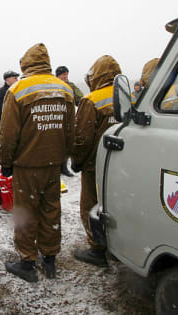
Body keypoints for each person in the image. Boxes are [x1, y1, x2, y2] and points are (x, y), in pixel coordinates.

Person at [0, 43, 75, 282]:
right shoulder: (65, 89)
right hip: (53, 162)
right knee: (51, 208)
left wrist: (6, 161)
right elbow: (70, 129)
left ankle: (27, 261)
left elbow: (8, 133)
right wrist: (65, 156)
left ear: (26, 64)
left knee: (26, 212)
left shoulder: (19, 90)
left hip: (27, 164)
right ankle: (50, 257)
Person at [71, 55, 122, 267]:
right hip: (123, 165)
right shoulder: (131, 97)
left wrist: (77, 161)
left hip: (96, 164)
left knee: (91, 205)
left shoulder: (92, 100)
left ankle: (97, 248)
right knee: (118, 205)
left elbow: (82, 137)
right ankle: (119, 246)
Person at [55, 65, 83, 177]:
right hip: (55, 117)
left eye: (67, 74)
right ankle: (54, 166)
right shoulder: (52, 85)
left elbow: (80, 99)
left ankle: (63, 166)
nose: (66, 76)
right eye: (63, 74)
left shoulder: (71, 86)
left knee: (67, 142)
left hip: (67, 117)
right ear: (58, 75)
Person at [0, 70, 19, 164]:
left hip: (14, 129)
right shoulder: (0, 93)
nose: (17, 80)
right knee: (0, 155)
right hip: (2, 129)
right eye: (15, 78)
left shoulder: (18, 91)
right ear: (7, 79)